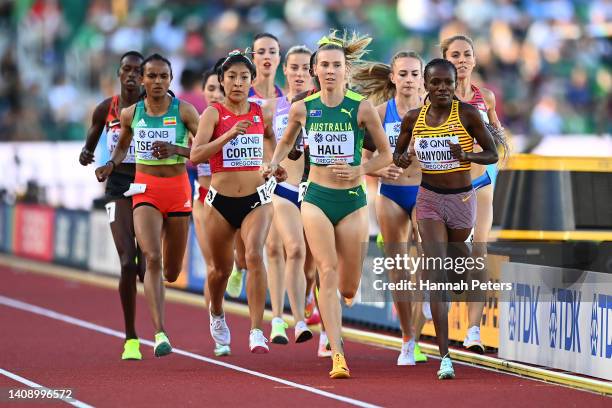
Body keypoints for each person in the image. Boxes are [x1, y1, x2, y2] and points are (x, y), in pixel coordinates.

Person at [263, 31, 393, 379]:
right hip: (316, 198)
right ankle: (337, 352)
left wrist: (361, 168)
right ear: (315, 70)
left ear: (346, 70)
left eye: (337, 65)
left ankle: (338, 301)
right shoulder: (304, 108)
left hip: (352, 201)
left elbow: (386, 154)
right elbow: (285, 142)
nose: (331, 70)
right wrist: (273, 163)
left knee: (349, 285)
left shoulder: (360, 107)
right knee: (327, 271)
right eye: (325, 65)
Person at [394, 58, 498, 379]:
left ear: (455, 85)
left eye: (447, 83)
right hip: (428, 200)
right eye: (435, 82)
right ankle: (445, 357)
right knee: (437, 269)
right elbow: (397, 155)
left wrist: (466, 155)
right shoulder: (414, 118)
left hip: (462, 200)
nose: (441, 88)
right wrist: (405, 156)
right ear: (426, 84)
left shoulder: (466, 114)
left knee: (456, 271)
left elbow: (492, 154)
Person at [95, 53, 200, 358]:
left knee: (170, 271)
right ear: (142, 80)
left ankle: (160, 317)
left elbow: (203, 150)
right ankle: (160, 332)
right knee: (149, 257)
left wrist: (176, 148)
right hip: (145, 190)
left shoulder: (185, 111)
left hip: (178, 189)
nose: (157, 82)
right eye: (151, 76)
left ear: (170, 79)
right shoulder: (131, 113)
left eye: (163, 76)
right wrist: (111, 165)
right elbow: (123, 145)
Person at [191, 50, 277, 356]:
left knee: (254, 256)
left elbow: (271, 145)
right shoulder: (212, 114)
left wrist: (273, 164)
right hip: (220, 203)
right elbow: (196, 155)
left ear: (252, 81)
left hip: (257, 198)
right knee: (220, 271)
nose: (238, 82)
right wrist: (227, 135)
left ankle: (256, 330)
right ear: (222, 81)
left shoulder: (260, 112)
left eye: (243, 77)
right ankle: (216, 311)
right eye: (231, 77)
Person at [352, 50, 425, 365]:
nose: (409, 80)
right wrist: (382, 170)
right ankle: (408, 339)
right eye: (403, 74)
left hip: (425, 192)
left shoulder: (434, 113)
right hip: (392, 194)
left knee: (427, 264)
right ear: (393, 78)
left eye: (414, 74)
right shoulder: (380, 113)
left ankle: (420, 329)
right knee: (399, 269)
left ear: (422, 78)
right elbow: (363, 161)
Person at [441, 34, 506, 354]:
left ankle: (473, 330)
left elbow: (498, 134)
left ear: (475, 60)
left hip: (481, 183)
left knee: (478, 254)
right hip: (447, 186)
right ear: (444, 60)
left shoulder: (487, 97)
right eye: (455, 55)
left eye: (467, 54)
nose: (462, 60)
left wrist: (499, 143)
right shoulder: (436, 98)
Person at [79, 50, 145, 360]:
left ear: (145, 77)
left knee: (148, 265)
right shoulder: (107, 108)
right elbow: (89, 144)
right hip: (118, 187)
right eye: (126, 70)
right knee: (126, 261)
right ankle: (130, 336)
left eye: (137, 71)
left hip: (150, 186)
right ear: (118, 74)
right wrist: (87, 154)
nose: (131, 75)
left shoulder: (156, 105)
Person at [225, 32, 285, 297]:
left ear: (279, 57)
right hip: (243, 177)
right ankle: (238, 269)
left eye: (272, 51)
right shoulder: (241, 93)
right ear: (253, 58)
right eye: (261, 52)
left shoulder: (284, 97)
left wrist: (275, 163)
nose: (267, 57)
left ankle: (280, 311)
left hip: (274, 178)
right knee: (243, 254)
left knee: (273, 244)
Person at [263, 45, 314, 345]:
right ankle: (293, 320)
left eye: (305, 68)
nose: (299, 74)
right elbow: (266, 147)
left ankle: (306, 301)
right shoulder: (273, 108)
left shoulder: (322, 107)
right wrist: (270, 166)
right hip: (283, 188)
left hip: (315, 189)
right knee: (291, 249)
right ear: (285, 70)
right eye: (293, 68)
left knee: (312, 263)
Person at [193, 61, 225, 307]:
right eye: (210, 88)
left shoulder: (239, 123)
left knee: (241, 262)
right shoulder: (192, 122)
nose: (215, 94)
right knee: (213, 267)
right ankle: (216, 328)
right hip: (204, 200)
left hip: (234, 198)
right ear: (202, 91)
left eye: (220, 89)